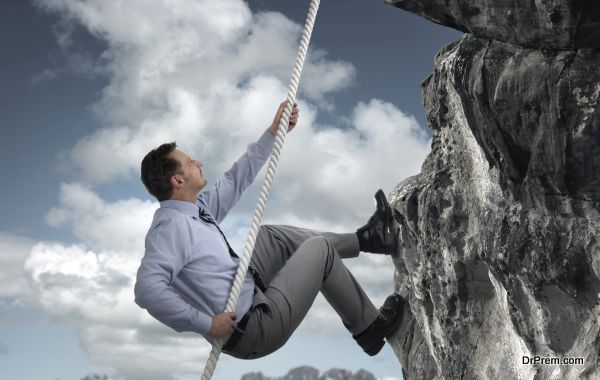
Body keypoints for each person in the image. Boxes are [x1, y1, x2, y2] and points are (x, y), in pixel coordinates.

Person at [134, 100, 404, 359]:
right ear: (178, 180)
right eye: (191, 162)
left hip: (250, 290)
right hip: (254, 327)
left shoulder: (196, 209)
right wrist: (206, 324)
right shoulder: (169, 228)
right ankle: (368, 328)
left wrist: (273, 132)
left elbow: (236, 179)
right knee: (319, 250)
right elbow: (147, 291)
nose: (199, 163)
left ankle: (369, 239)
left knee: (269, 237)